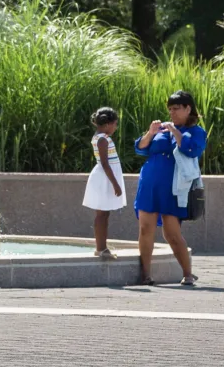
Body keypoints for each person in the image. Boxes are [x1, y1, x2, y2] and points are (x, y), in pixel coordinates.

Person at [133, 89, 206, 286]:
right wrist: (151, 132)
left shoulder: (196, 132)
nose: (172, 113)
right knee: (145, 228)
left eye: (176, 108)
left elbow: (191, 150)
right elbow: (140, 148)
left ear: (188, 108)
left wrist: (175, 132)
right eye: (170, 109)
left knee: (171, 233)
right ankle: (146, 274)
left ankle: (188, 273)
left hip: (174, 188)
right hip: (149, 183)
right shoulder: (162, 129)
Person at [82, 107, 126, 258]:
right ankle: (100, 248)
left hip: (106, 177)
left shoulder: (101, 137)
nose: (116, 127)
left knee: (104, 214)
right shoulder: (102, 139)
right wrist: (115, 184)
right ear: (107, 124)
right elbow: (105, 164)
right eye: (115, 124)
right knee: (101, 214)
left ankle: (102, 247)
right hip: (104, 178)